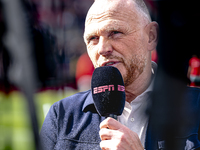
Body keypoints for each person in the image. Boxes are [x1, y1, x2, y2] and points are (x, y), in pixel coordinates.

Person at [40, 0, 200, 149]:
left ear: (151, 36)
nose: (102, 49)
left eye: (115, 32)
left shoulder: (196, 106)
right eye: (93, 39)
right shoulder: (61, 115)